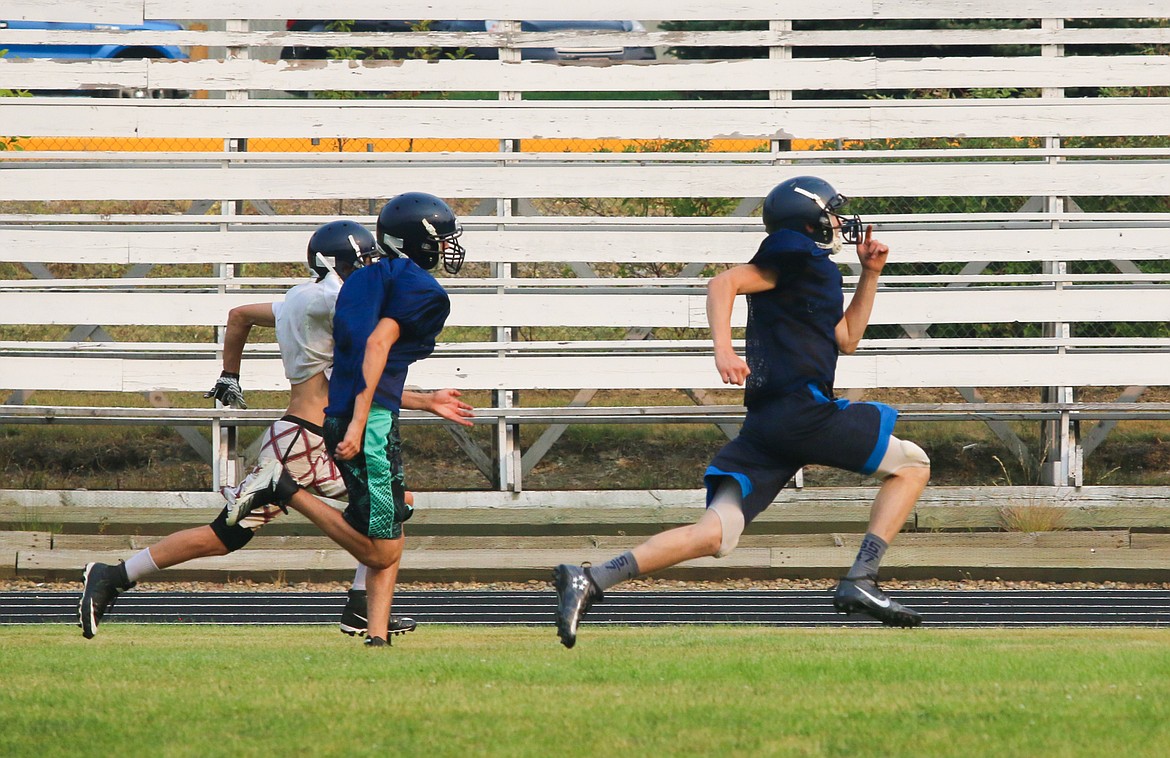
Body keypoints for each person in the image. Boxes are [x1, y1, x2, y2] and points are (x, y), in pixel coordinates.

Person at [553, 176, 933, 648]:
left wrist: (870, 274)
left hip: (769, 424)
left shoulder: (813, 269)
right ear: (809, 219)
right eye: (831, 212)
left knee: (717, 534)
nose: (839, 221)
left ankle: (591, 579)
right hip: (802, 413)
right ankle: (862, 577)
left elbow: (847, 339)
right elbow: (724, 282)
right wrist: (723, 351)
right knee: (914, 464)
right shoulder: (793, 252)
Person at [77, 219, 474, 640]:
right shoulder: (337, 299)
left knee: (226, 536)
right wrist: (424, 396)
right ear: (342, 262)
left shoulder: (296, 298)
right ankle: (296, 517)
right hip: (311, 438)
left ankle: (115, 576)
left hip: (294, 431)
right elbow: (363, 373)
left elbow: (239, 315)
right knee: (386, 513)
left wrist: (230, 373)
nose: (372, 266)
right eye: (365, 259)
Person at [226, 192, 466, 648]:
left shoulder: (353, 285)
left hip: (348, 415)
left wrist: (423, 400)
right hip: (361, 423)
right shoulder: (414, 290)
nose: (450, 246)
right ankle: (284, 490)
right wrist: (361, 423)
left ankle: (375, 632)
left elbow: (245, 316)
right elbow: (375, 350)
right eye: (442, 238)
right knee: (383, 546)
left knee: (393, 515)